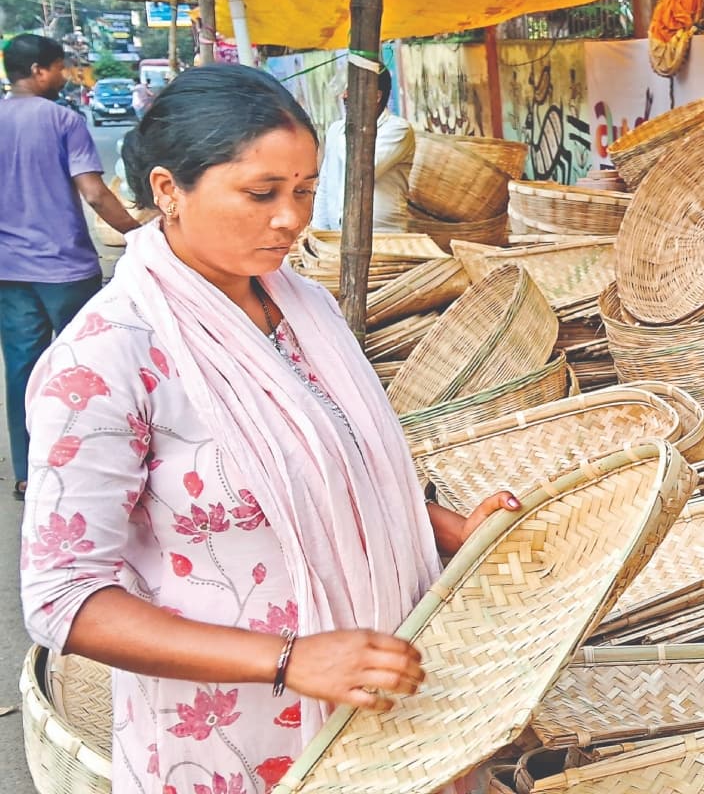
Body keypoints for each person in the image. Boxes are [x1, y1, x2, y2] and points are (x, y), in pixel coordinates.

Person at [19, 64, 520, 794]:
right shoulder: (109, 356)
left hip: (387, 706)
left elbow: (338, 473)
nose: (290, 219)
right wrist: (290, 659)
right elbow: (66, 599)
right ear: (169, 191)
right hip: (236, 741)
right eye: (260, 194)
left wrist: (451, 529)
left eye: (304, 191)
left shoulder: (305, 311)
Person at [0, 34, 142, 502]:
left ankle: (28, 474)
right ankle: (88, 469)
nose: (63, 76)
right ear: (40, 70)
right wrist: (140, 233)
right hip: (66, 270)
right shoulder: (65, 120)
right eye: (60, 68)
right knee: (88, 368)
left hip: (10, 271)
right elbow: (95, 192)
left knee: (22, 368)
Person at [311, 67, 414, 231]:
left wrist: (351, 127)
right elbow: (326, 186)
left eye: (351, 89)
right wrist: (317, 232)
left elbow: (361, 170)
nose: (344, 96)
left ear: (376, 96)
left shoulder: (397, 129)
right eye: (345, 90)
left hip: (386, 238)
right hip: (337, 236)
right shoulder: (336, 130)